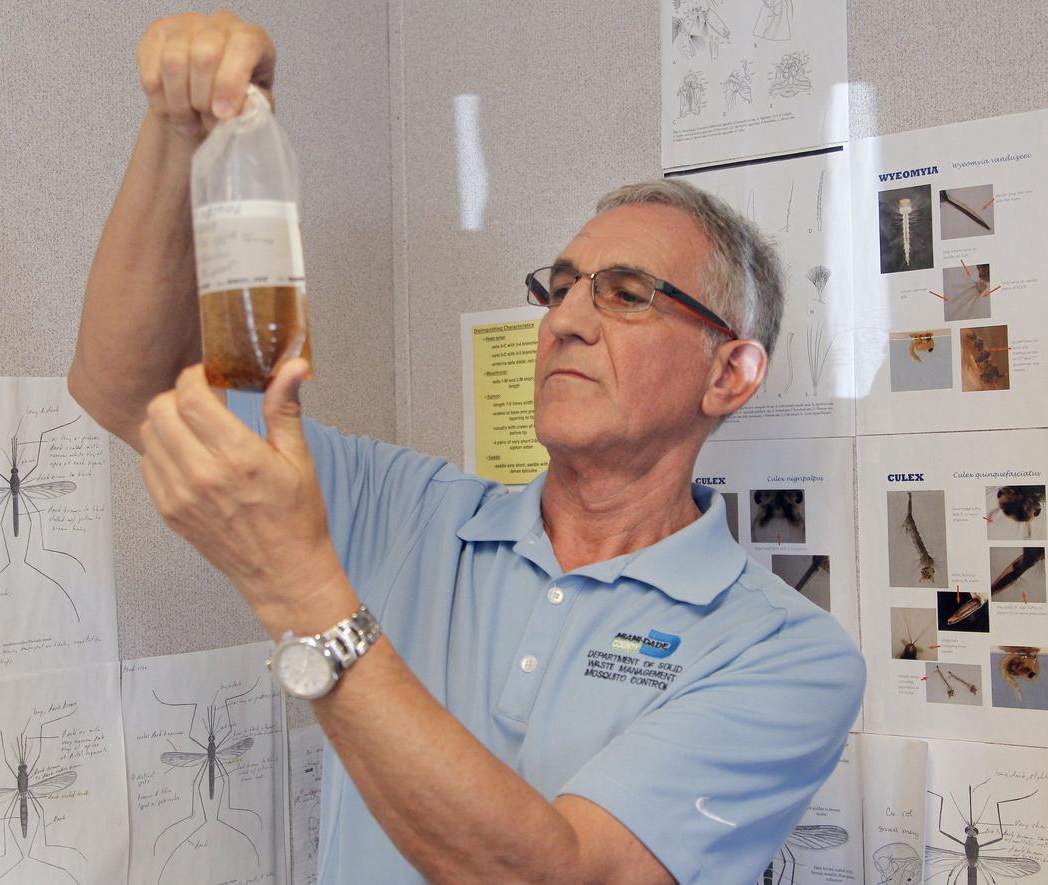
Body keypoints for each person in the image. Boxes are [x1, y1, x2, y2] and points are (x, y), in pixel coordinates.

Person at [69, 12, 865, 883]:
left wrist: (299, 589)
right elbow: (128, 387)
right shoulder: (409, 511)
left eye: (627, 294)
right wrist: (181, 131)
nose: (564, 319)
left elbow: (560, 875)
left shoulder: (784, 653)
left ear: (731, 374)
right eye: (558, 290)